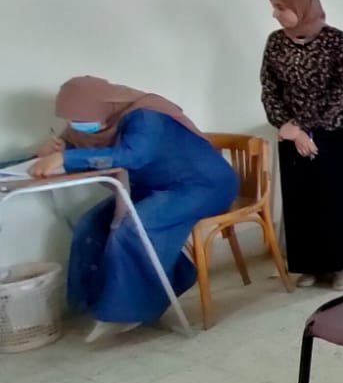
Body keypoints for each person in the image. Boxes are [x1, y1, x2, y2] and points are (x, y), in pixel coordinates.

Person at [29, 77, 238, 343]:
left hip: (203, 185)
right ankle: (99, 303)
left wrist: (65, 157)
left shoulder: (146, 115)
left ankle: (126, 312)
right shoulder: (95, 124)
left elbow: (134, 156)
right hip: (156, 187)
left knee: (134, 229)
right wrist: (48, 153)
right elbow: (77, 155)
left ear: (103, 106)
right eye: (72, 120)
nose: (76, 125)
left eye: (80, 119)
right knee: (91, 226)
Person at [261, 0, 343, 289]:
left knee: (336, 198)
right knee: (301, 200)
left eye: (281, 7)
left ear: (301, 7)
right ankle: (309, 264)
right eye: (274, 7)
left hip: (335, 131)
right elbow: (269, 88)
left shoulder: (338, 41)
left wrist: (305, 127)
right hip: (293, 134)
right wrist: (286, 126)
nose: (275, 14)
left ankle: (340, 264)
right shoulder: (275, 42)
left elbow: (340, 91)